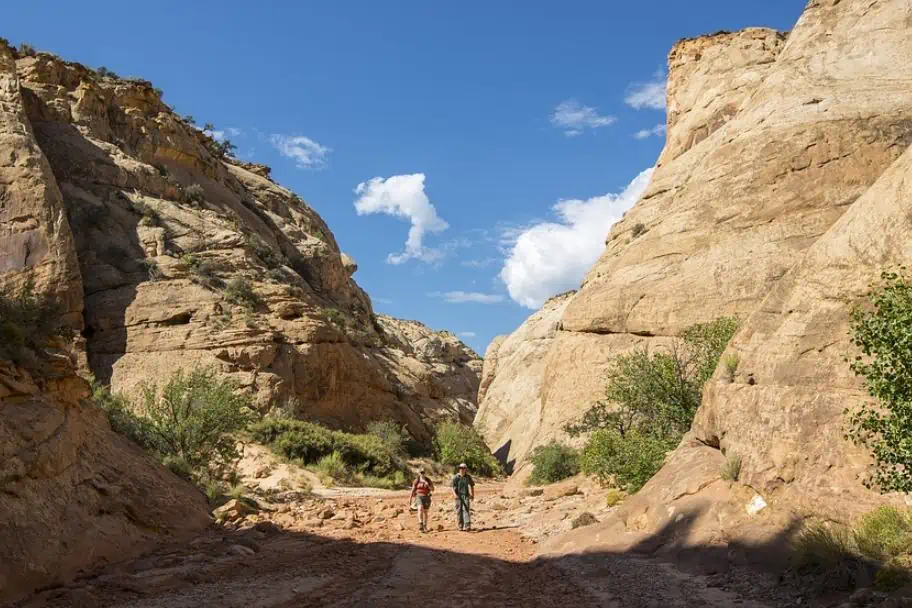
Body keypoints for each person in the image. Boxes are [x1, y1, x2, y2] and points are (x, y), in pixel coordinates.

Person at [409, 468, 435, 532]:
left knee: (425, 512)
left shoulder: (428, 480)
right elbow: (413, 489)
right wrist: (410, 499)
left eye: (423, 472)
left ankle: (425, 526)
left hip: (426, 497)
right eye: (421, 473)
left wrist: (427, 484)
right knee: (420, 508)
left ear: (425, 473)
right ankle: (420, 524)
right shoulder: (416, 480)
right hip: (418, 496)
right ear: (419, 473)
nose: (422, 474)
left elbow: (433, 489)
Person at [451, 463, 475, 531]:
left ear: (465, 469)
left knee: (466, 509)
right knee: (459, 511)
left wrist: (473, 495)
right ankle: (460, 526)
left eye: (463, 468)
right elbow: (452, 487)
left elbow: (472, 485)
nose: (461, 469)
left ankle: (467, 525)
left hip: (466, 495)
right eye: (460, 468)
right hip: (458, 496)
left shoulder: (468, 477)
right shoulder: (456, 477)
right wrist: (454, 495)